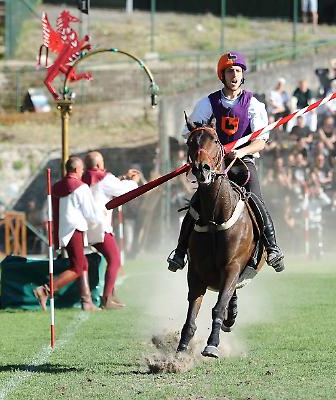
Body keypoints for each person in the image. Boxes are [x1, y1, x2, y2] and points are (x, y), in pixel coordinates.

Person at [167, 51, 285, 273]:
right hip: (214, 166)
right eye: (230, 71)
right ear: (222, 75)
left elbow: (260, 142)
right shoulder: (207, 103)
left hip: (242, 163)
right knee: (195, 205)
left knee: (257, 199)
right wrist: (208, 150)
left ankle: (272, 248)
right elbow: (190, 133)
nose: (234, 75)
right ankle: (180, 252)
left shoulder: (254, 104)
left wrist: (241, 152)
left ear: (243, 75)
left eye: (238, 71)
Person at [34, 156, 100, 311]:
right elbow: (90, 213)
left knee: (82, 264)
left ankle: (86, 301)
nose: (83, 171)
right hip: (74, 229)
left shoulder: (57, 186)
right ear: (77, 169)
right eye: (82, 169)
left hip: (62, 229)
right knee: (77, 267)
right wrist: (101, 214)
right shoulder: (81, 187)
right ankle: (45, 290)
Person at [82, 151, 142, 309]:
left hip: (87, 226)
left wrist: (123, 178)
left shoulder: (84, 177)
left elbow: (111, 184)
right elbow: (122, 191)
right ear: (98, 165)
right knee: (115, 260)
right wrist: (133, 182)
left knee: (111, 260)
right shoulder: (103, 178)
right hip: (99, 226)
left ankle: (111, 294)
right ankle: (106, 299)